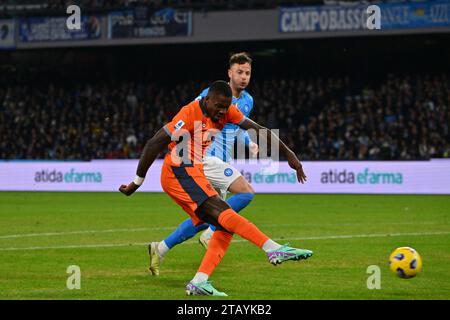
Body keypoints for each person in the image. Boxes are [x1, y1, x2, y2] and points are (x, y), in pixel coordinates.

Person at [119, 80, 313, 296]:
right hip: (178, 169)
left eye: (226, 107)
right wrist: (136, 183)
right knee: (224, 213)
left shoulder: (228, 111)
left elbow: (259, 130)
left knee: (225, 224)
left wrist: (289, 154)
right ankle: (273, 249)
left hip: (194, 170)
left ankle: (199, 281)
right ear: (206, 99)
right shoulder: (189, 113)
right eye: (218, 107)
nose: (222, 112)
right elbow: (154, 143)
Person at [147, 52, 258, 276]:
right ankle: (211, 234)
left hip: (221, 161)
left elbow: (236, 127)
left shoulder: (247, 101)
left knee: (203, 216)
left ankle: (160, 248)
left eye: (247, 73)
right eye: (239, 72)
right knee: (245, 194)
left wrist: (249, 143)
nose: (244, 77)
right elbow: (191, 114)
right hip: (206, 159)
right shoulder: (211, 95)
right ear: (229, 73)